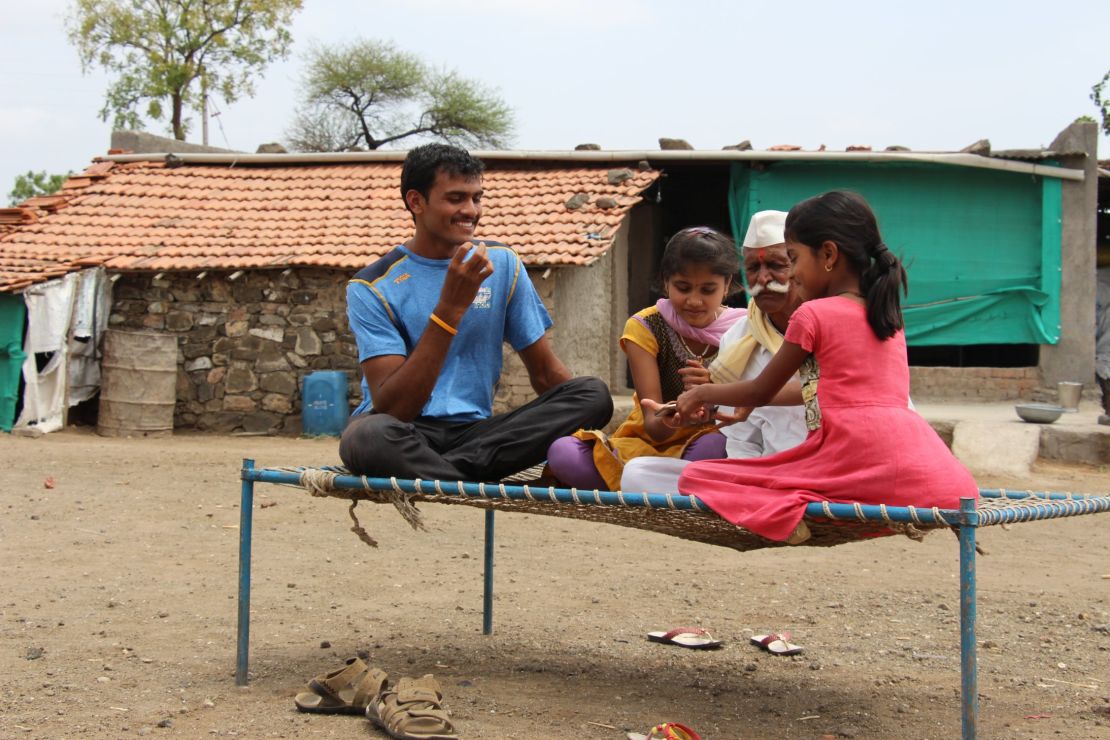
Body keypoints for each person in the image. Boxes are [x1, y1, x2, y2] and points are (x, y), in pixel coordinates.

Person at [673, 191, 978, 543]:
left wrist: (703, 393)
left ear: (829, 255)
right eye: (754, 267)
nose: (792, 274)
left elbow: (760, 390)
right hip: (928, 467)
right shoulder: (887, 314)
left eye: (792, 259)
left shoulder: (813, 314)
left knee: (698, 477)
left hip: (846, 460)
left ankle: (783, 519)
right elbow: (834, 390)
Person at [338, 143, 613, 481]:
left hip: (479, 437)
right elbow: (395, 408)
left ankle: (449, 475)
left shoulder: (502, 264)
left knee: (593, 394)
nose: (471, 210)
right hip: (405, 432)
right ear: (416, 202)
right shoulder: (372, 287)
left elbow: (544, 374)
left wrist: (587, 428)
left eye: (476, 198)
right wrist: (449, 309)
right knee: (367, 437)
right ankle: (466, 479)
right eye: (456, 198)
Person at [545, 226, 746, 490]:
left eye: (707, 290)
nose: (694, 301)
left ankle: (634, 484)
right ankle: (669, 486)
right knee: (563, 452)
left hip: (706, 440)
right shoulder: (646, 326)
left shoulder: (744, 330)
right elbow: (654, 425)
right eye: (683, 288)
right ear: (665, 282)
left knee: (718, 446)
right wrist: (676, 417)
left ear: (727, 285)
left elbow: (747, 413)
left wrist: (714, 392)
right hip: (645, 441)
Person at [621, 210, 807, 493]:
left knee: (710, 449)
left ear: (800, 268)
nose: (764, 279)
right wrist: (749, 480)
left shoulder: (826, 321)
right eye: (754, 269)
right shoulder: (739, 339)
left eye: (776, 265)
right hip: (768, 475)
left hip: (827, 465)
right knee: (636, 474)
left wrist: (711, 393)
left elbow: (835, 391)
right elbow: (741, 440)